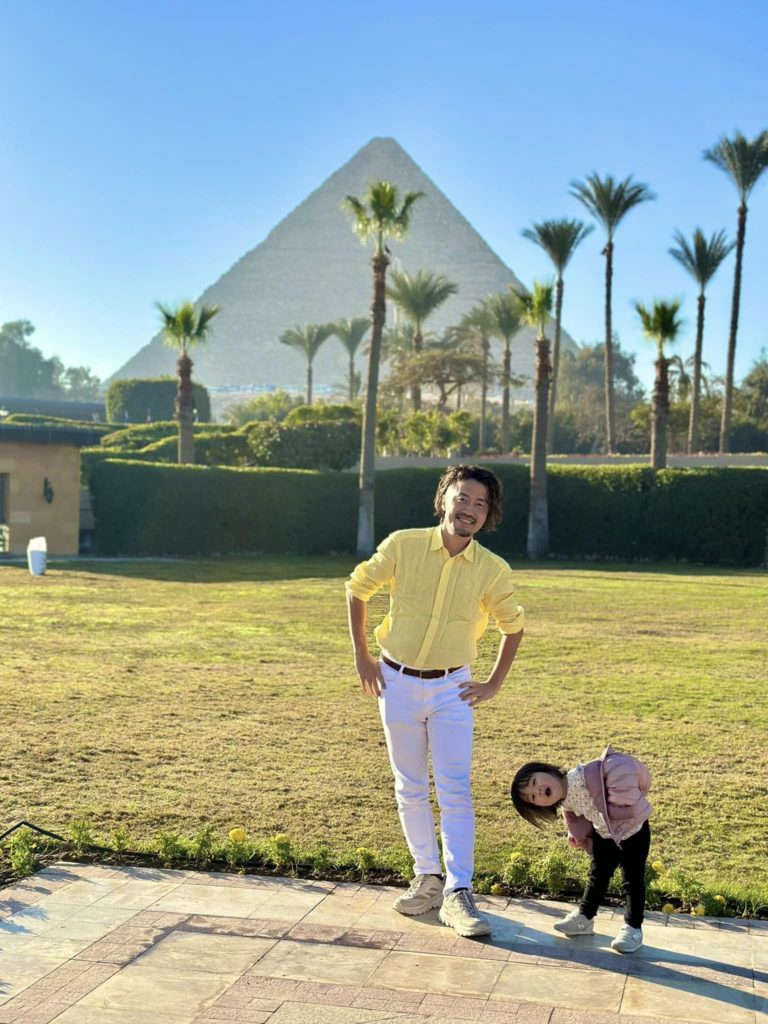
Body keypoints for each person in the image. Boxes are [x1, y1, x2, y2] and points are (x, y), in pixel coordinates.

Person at [346, 465, 524, 938]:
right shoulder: (403, 545)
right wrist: (363, 656)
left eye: (480, 504)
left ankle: (458, 892)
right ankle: (426, 877)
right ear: (444, 498)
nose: (469, 510)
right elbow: (357, 588)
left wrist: (493, 683)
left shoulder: (492, 569)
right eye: (462, 498)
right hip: (395, 682)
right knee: (408, 786)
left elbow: (513, 626)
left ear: (487, 515)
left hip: (453, 689)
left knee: (454, 789)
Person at [510, 745, 652, 953]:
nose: (537, 791)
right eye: (533, 797)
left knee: (632, 879)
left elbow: (613, 769)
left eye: (534, 782)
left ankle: (633, 928)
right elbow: (580, 815)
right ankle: (585, 917)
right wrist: (577, 834)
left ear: (548, 770)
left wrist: (622, 800)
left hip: (634, 829)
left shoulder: (583, 775)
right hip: (605, 834)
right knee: (597, 876)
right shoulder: (566, 802)